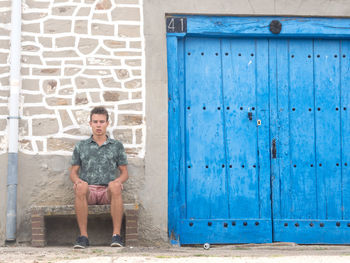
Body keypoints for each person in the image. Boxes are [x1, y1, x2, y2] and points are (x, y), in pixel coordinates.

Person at [69, 106, 128, 249]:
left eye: (102, 121)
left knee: (115, 186)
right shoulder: (81, 146)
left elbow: (124, 172)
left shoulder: (116, 146)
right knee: (81, 186)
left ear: (107, 123)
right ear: (90, 124)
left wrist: (118, 181)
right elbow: (73, 171)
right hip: (88, 191)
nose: (98, 125)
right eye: (95, 122)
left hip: (107, 191)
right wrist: (77, 181)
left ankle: (116, 236)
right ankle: (83, 237)